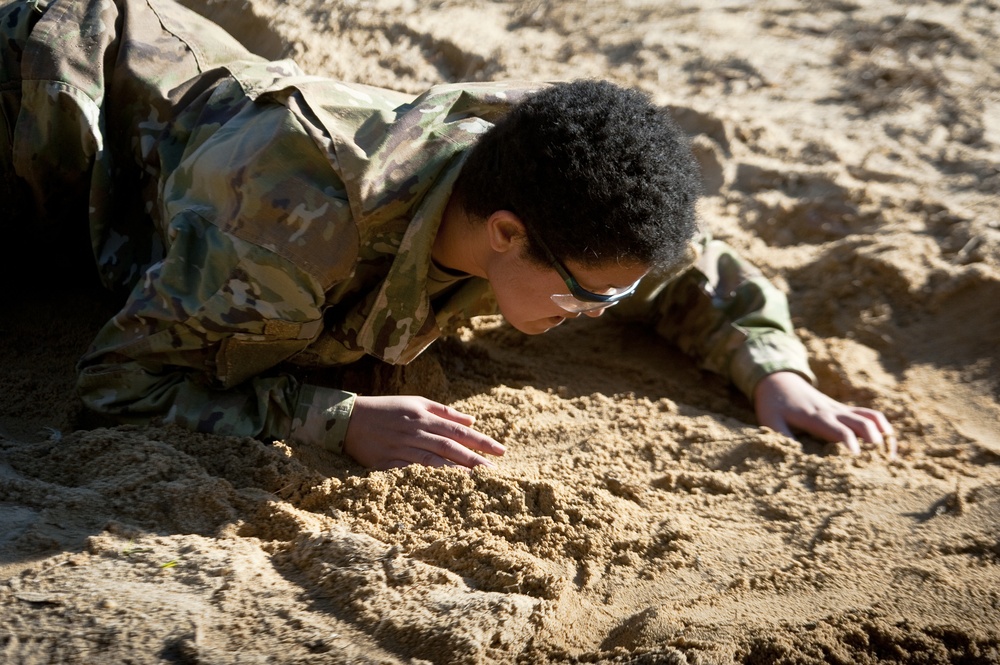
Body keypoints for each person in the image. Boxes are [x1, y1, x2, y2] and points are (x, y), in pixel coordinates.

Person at [1, 0, 895, 470]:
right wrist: (328, 418)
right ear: (507, 233)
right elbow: (119, 383)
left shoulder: (553, 180)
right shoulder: (295, 225)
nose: (604, 312)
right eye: (589, 296)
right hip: (37, 110)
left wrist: (775, 373)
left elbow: (687, 268)